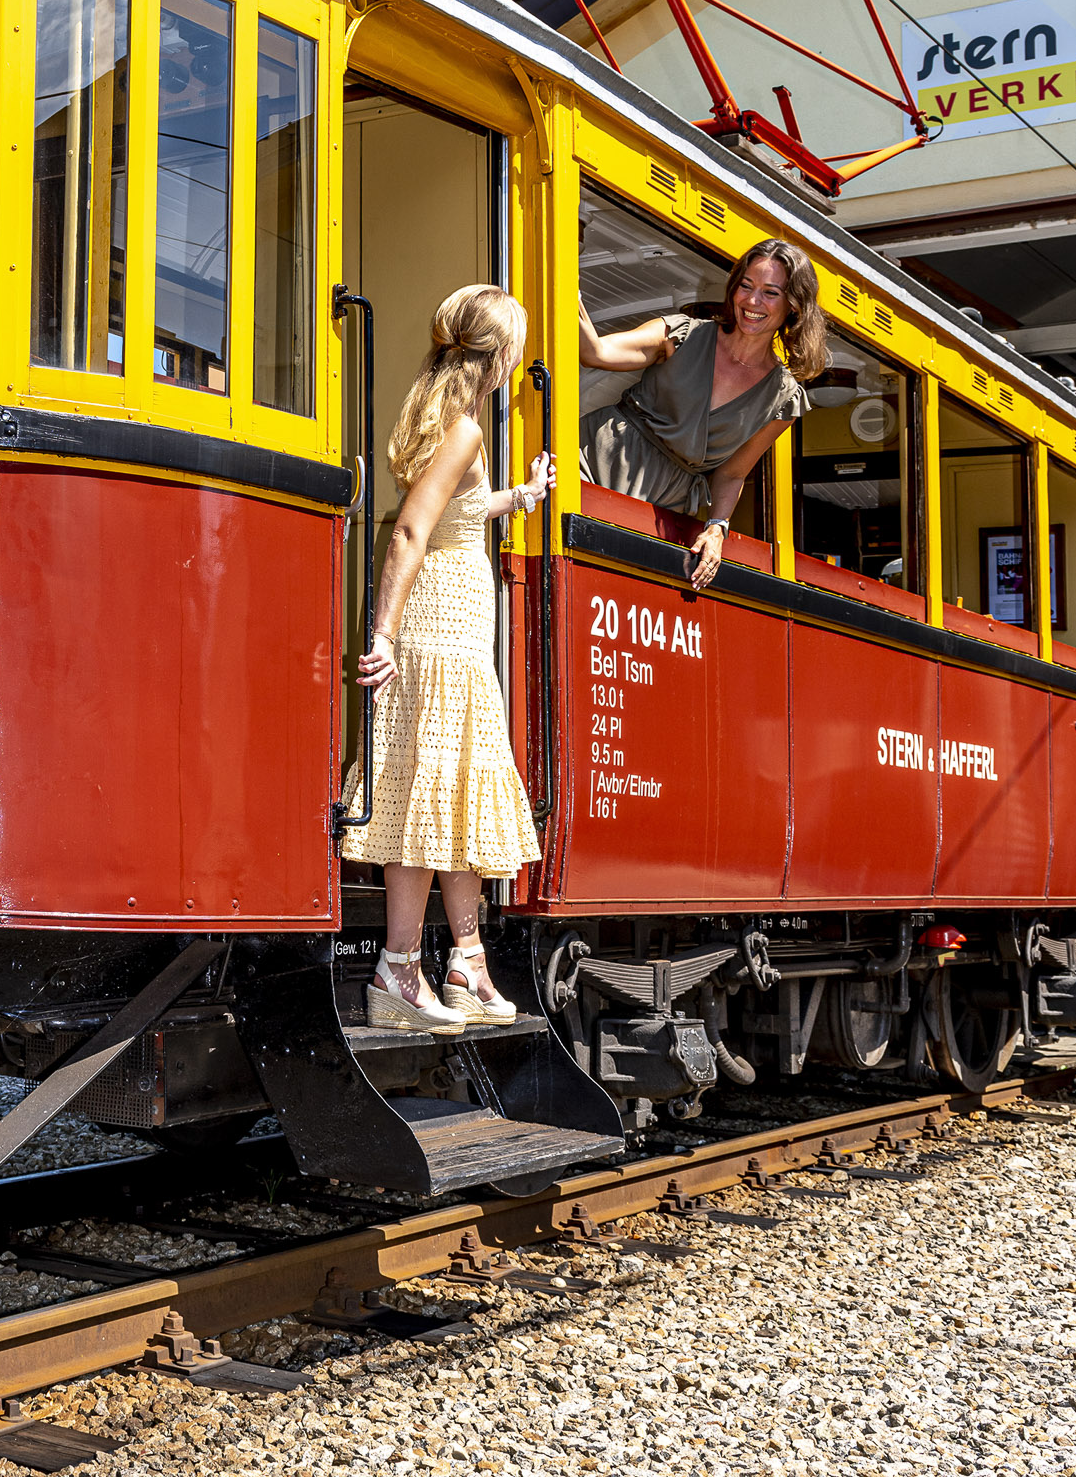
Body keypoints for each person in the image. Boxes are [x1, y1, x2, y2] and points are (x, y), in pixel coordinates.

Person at [341, 284, 552, 1035]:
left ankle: (465, 962)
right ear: (500, 355)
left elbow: (458, 510)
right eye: (518, 345)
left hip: (457, 630)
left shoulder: (446, 418)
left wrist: (520, 497)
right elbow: (410, 532)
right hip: (436, 632)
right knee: (429, 797)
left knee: (451, 792)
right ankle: (399, 969)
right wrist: (384, 636)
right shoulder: (463, 428)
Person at [577, 237, 826, 590]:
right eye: (746, 286)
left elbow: (733, 473)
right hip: (596, 459)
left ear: (794, 306)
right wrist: (567, 283)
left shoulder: (783, 398)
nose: (752, 301)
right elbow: (597, 353)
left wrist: (717, 528)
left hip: (667, 505)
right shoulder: (680, 333)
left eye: (770, 292)